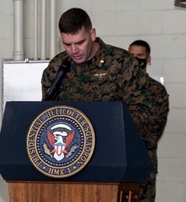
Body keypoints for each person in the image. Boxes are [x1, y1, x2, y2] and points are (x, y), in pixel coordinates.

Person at [41, 8, 151, 138]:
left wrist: (108, 124)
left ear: (92, 34)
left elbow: (143, 112)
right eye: (67, 44)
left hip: (113, 145)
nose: (74, 50)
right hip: (71, 149)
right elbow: (48, 114)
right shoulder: (58, 66)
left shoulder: (122, 62)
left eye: (80, 42)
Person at [128, 39, 170, 202]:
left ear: (149, 58)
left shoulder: (156, 91)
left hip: (144, 163)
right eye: (131, 55)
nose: (136, 59)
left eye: (140, 56)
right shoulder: (118, 90)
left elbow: (153, 129)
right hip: (119, 165)